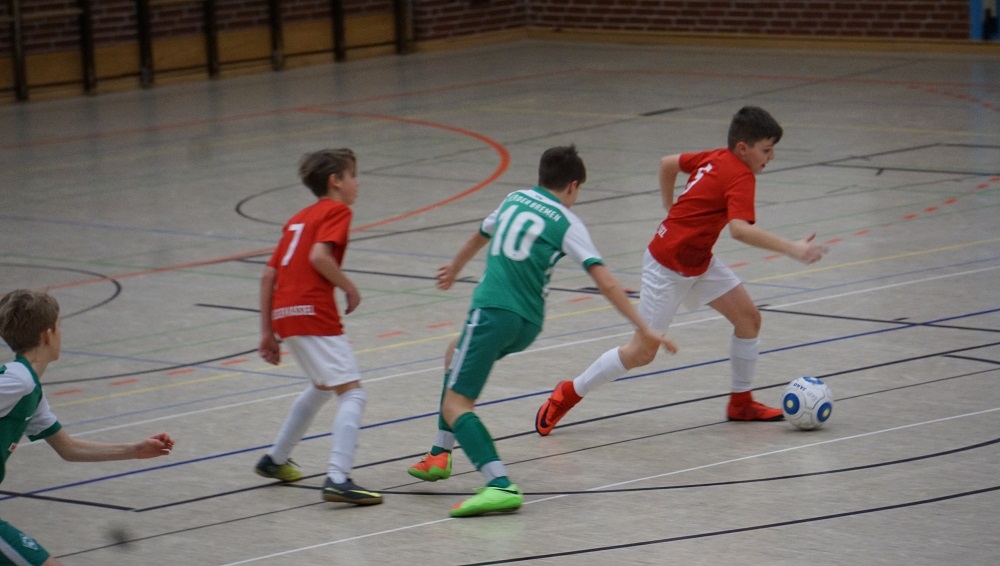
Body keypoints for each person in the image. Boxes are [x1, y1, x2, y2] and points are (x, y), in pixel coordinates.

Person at [406, 145, 677, 517]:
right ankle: (440, 454)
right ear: (573, 186)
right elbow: (606, 281)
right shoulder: (567, 222)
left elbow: (478, 236)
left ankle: (498, 483)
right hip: (528, 323)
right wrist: (643, 326)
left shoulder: (514, 200)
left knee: (456, 405)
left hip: (493, 311)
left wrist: (454, 268)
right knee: (455, 352)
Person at [534, 106, 829, 437]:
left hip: (698, 261)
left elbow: (667, 163)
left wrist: (669, 205)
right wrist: (793, 248)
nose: (771, 157)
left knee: (749, 319)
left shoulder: (717, 156)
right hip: (667, 266)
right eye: (767, 149)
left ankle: (741, 403)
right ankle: (569, 392)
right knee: (641, 352)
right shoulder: (740, 176)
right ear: (743, 148)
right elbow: (739, 230)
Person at [0, 289, 175, 566]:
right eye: (59, 326)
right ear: (48, 335)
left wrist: (135, 450)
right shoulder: (17, 381)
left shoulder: (30, 389)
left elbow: (69, 448)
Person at [254, 148, 381, 506]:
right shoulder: (337, 211)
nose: (357, 183)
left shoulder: (298, 219)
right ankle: (338, 478)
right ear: (335, 181)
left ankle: (276, 459)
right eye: (352, 175)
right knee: (352, 394)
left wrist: (267, 331)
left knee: (324, 385)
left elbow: (268, 275)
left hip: (285, 312)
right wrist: (349, 287)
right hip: (313, 310)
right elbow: (319, 257)